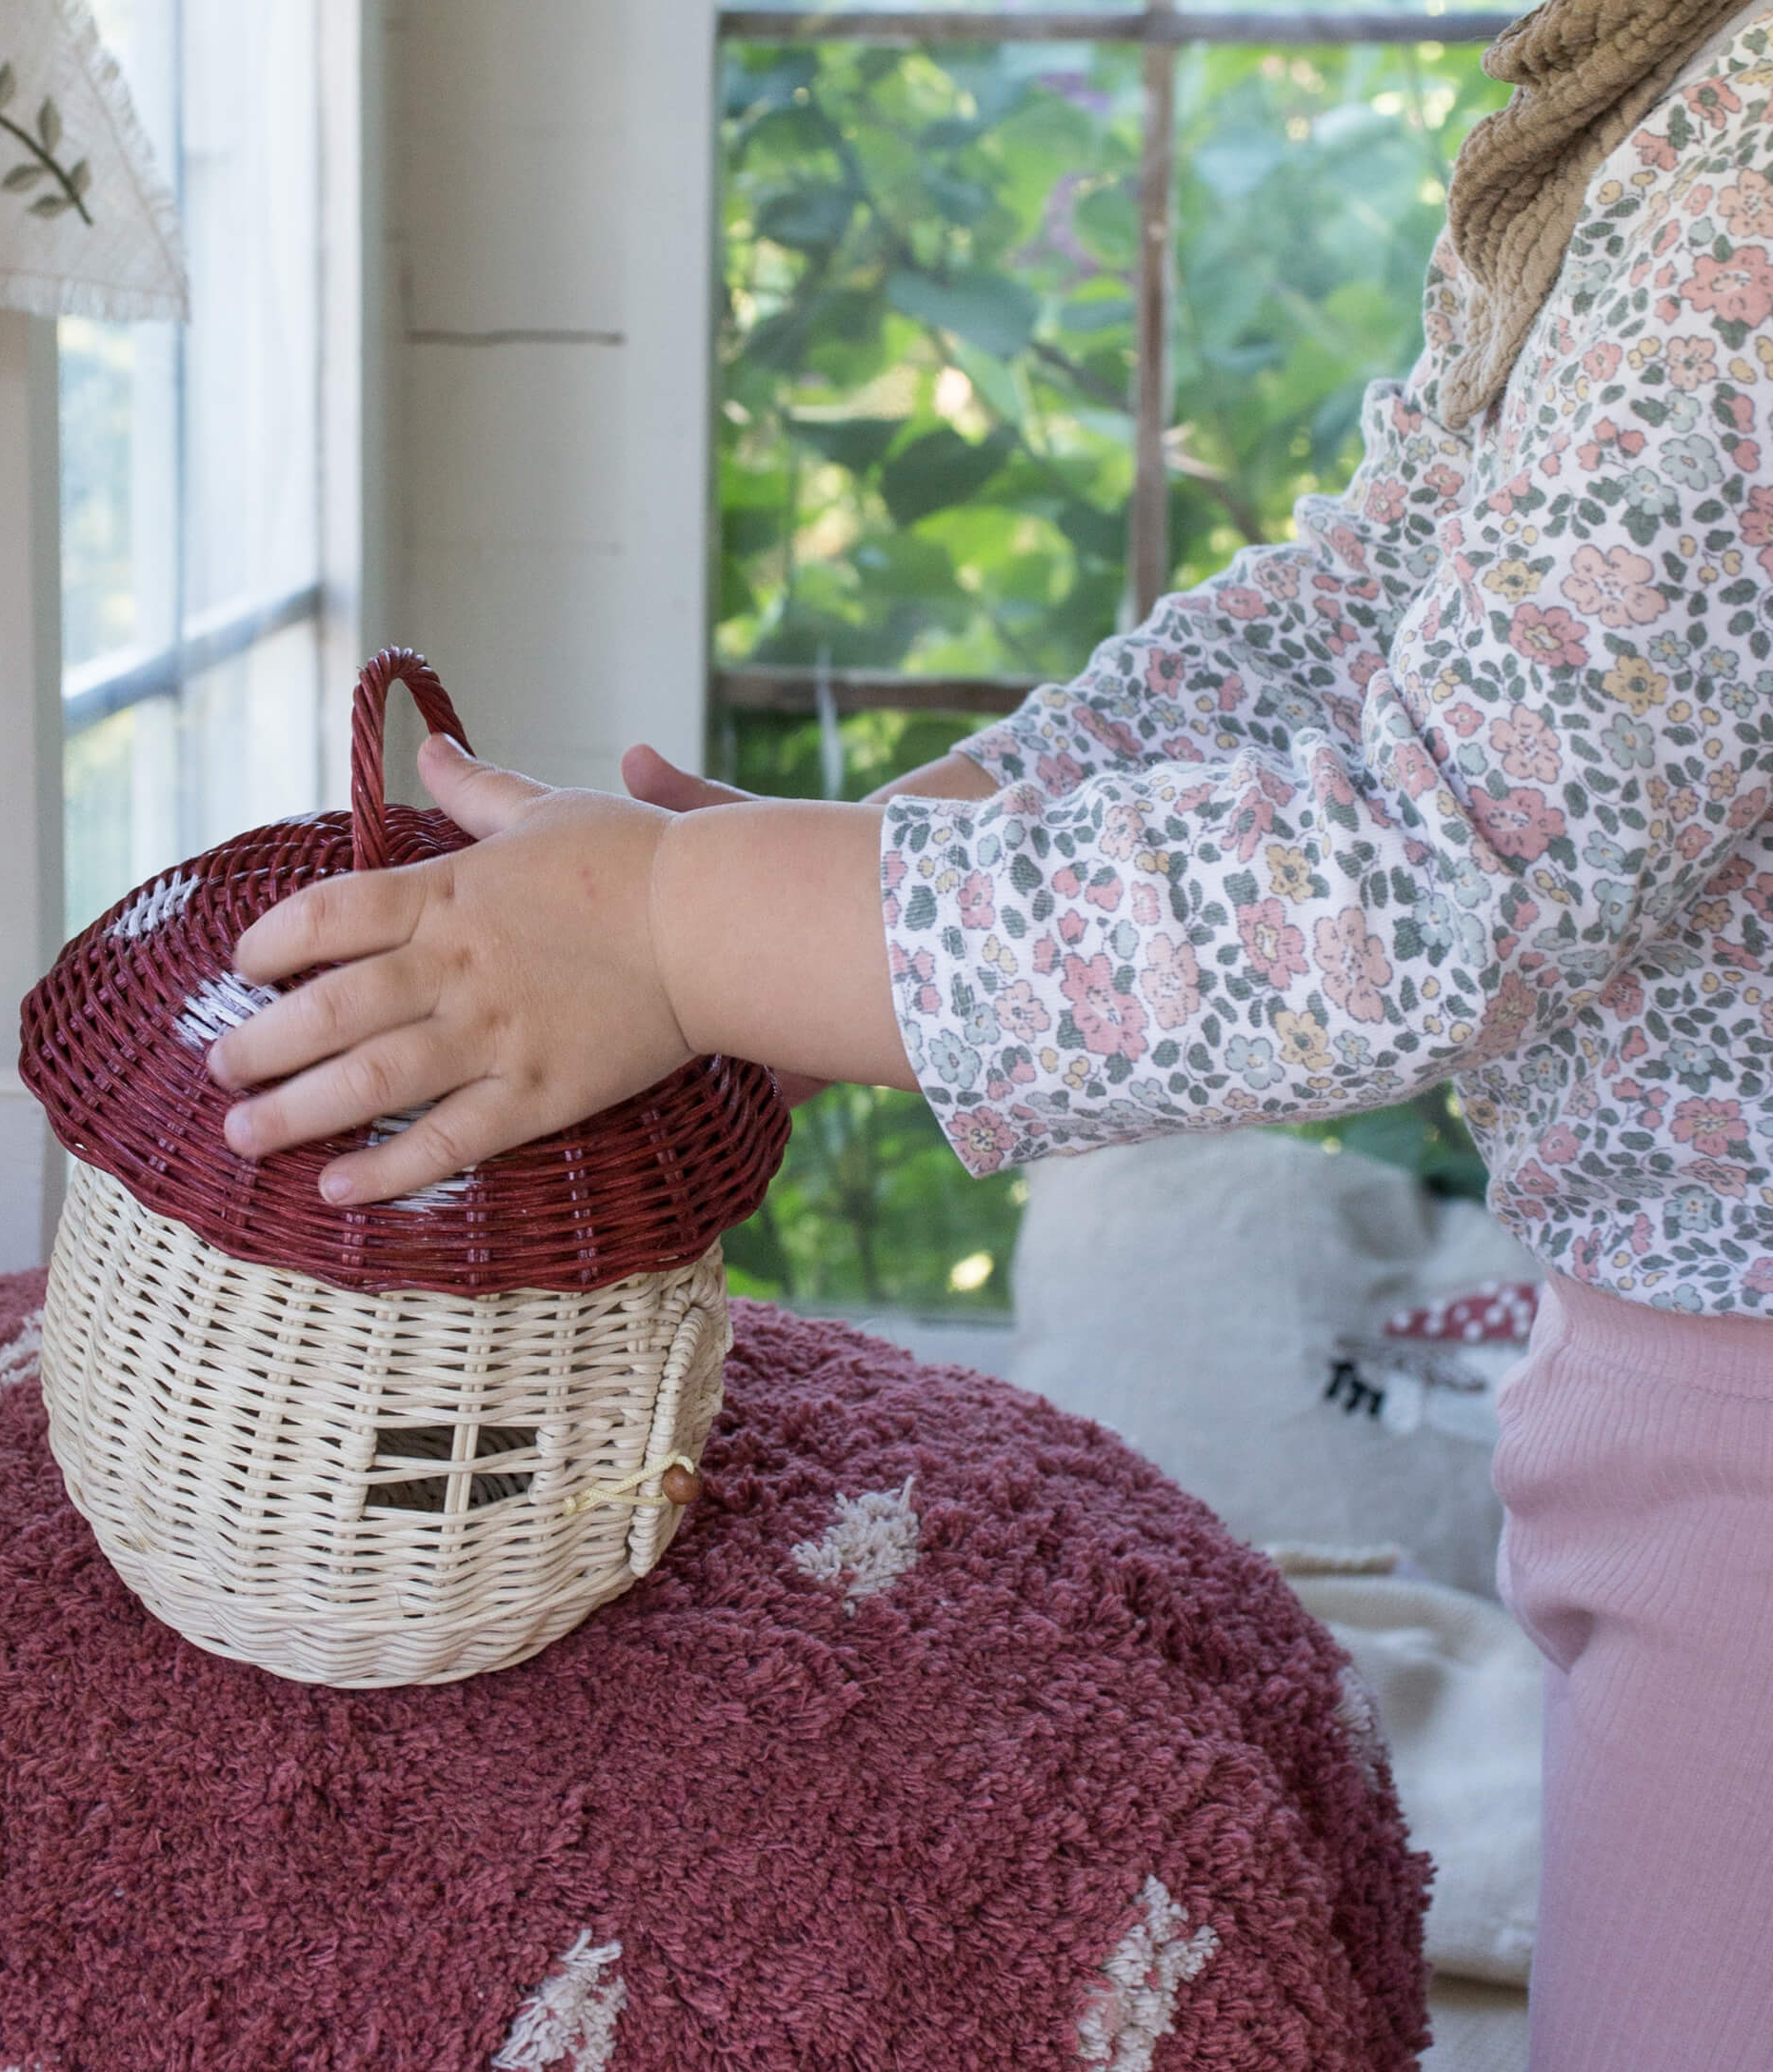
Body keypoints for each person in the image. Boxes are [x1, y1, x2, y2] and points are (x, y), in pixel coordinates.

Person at [207, 4, 1773, 2063]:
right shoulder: (1661, 81)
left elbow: (1431, 867)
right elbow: (1372, 611)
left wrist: (688, 933)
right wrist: (858, 867)